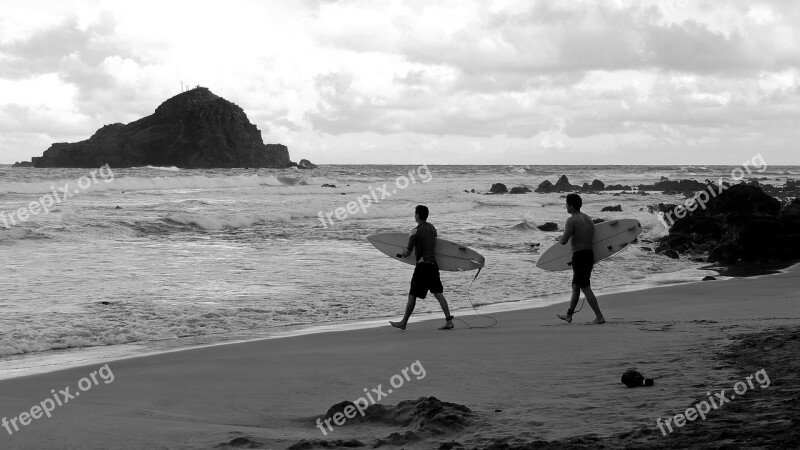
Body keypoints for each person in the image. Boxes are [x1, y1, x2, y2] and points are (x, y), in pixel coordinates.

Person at [390, 205, 454, 331]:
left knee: (412, 294)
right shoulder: (432, 228)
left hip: (422, 267)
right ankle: (449, 321)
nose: (414, 215)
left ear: (418, 215)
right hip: (433, 265)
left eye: (415, 213)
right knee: (438, 293)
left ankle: (404, 322)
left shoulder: (415, 231)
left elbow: (408, 252)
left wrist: (402, 252)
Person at [556, 193, 606, 325]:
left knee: (585, 287)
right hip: (589, 254)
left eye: (566, 204)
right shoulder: (588, 218)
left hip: (579, 256)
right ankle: (569, 315)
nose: (566, 206)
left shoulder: (571, 220)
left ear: (571, 206)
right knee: (576, 286)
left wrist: (558, 239)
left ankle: (599, 317)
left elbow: (564, 241)